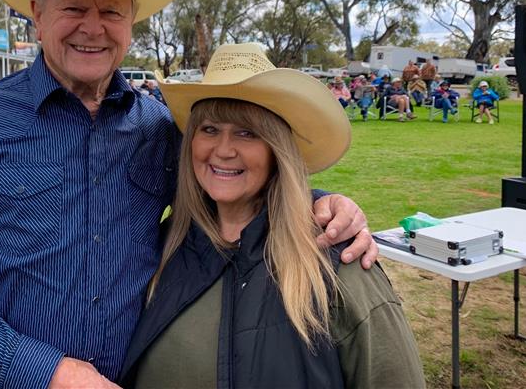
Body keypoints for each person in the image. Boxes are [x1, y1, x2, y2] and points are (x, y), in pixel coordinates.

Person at [0, 0, 377, 388]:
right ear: (37, 15)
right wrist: (50, 374)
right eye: (74, 8)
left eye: (111, 12)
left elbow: (233, 183)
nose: (93, 28)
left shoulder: (158, 126)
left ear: (132, 23)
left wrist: (322, 202)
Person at [119, 43, 425, 388]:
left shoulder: (337, 261)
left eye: (247, 132)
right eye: (209, 129)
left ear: (276, 149)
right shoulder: (163, 247)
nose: (223, 150)